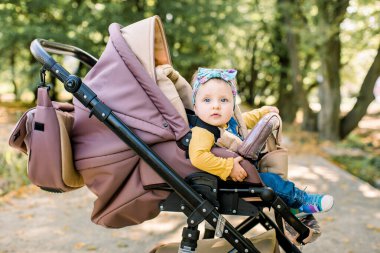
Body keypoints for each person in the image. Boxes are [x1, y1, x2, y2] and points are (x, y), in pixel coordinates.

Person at [189, 67, 334, 218]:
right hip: (228, 180)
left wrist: (263, 112)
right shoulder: (203, 131)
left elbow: (245, 120)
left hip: (246, 170)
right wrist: (228, 168)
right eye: (207, 100)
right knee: (272, 180)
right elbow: (198, 157)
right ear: (196, 108)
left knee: (272, 176)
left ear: (232, 106)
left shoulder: (227, 123)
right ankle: (302, 201)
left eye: (223, 100)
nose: (216, 105)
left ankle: (291, 204)